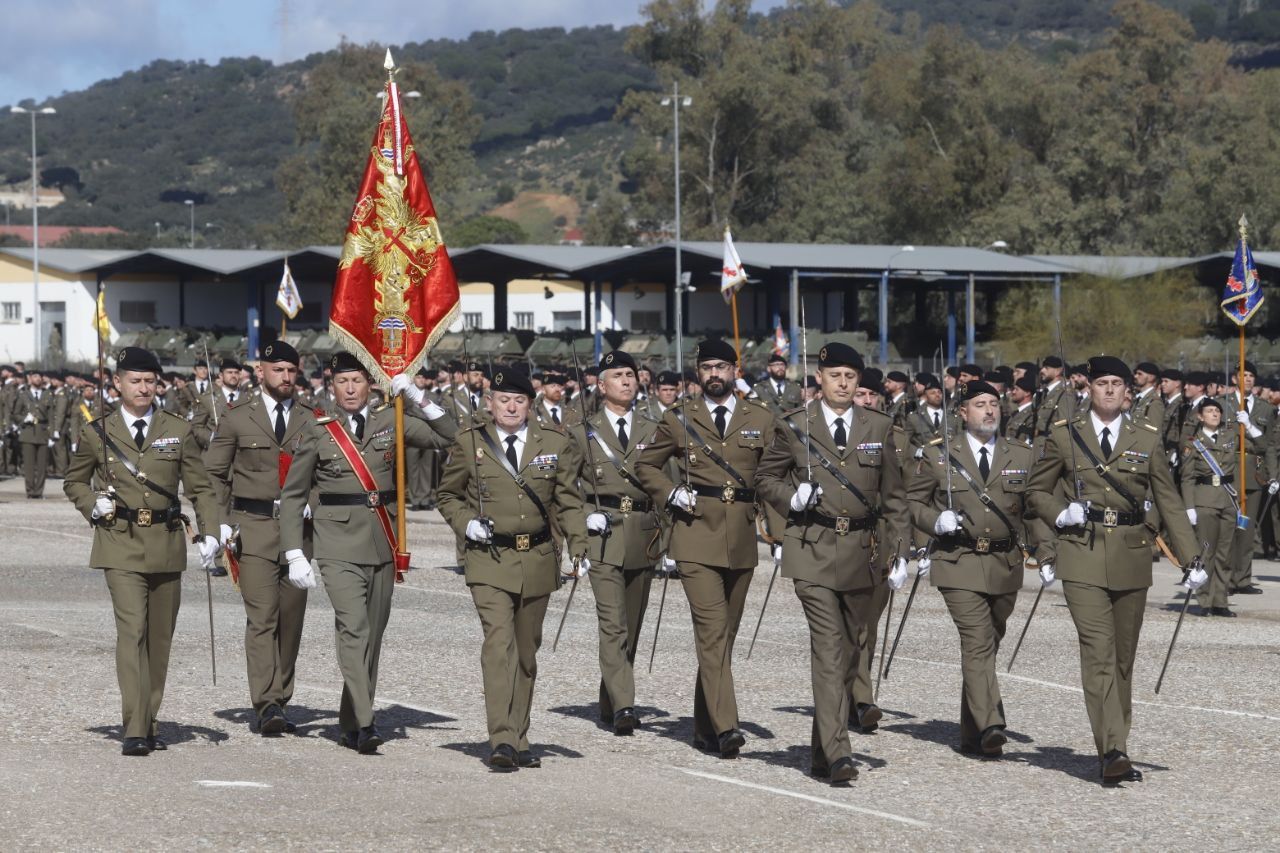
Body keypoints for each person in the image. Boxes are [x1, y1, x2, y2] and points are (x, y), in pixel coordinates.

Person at [1026, 356, 1204, 784]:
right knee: (1098, 652)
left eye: (1116, 383)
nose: (1108, 390)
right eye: (1101, 382)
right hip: (1081, 553)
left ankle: (1117, 741)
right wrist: (1060, 512)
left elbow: (1167, 499)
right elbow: (1036, 491)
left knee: (1123, 659)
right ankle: (1112, 749)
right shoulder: (1066, 435)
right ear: (1089, 388)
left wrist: (1192, 557)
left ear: (1128, 392)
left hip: (1132, 554)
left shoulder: (1147, 437)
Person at [278, 352, 456, 754]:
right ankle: (366, 721)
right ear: (331, 386)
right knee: (353, 629)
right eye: (343, 382)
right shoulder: (318, 429)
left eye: (358, 380)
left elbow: (447, 436)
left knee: (372, 637)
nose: (351, 389)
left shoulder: (388, 420)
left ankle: (348, 720)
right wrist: (295, 552)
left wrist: (416, 397)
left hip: (383, 539)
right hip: (337, 543)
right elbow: (292, 497)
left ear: (370, 384)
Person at [755, 342, 908, 783]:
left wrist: (900, 551)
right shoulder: (795, 425)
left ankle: (823, 747)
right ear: (818, 378)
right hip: (813, 548)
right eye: (835, 375)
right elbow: (766, 478)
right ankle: (840, 753)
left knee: (851, 652)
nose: (843, 383)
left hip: (864, 552)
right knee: (828, 649)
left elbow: (894, 497)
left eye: (851, 377)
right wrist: (791, 498)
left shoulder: (878, 425)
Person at [63, 346, 220, 756]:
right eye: (135, 380)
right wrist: (91, 504)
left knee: (159, 639)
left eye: (150, 381)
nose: (143, 388)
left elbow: (201, 488)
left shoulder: (178, 429)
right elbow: (74, 481)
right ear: (117, 383)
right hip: (119, 541)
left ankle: (148, 717)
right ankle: (134, 727)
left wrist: (211, 533)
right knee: (131, 632)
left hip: (166, 542)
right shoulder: (97, 431)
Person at [436, 367, 589, 770]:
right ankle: (501, 737)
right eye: (503, 399)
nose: (510, 406)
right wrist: (466, 521)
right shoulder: (470, 443)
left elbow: (568, 500)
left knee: (525, 653)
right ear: (490, 403)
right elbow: (447, 494)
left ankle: (519, 736)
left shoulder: (554, 442)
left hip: (537, 558)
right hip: (489, 559)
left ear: (530, 404)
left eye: (519, 400)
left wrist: (580, 544)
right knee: (498, 644)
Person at [636, 339, 782, 759]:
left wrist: (782, 535)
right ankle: (726, 727)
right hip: (695, 533)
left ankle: (703, 724)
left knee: (725, 637)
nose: (714, 374)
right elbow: (645, 465)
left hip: (741, 537)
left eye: (721, 366)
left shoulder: (761, 418)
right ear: (697, 374)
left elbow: (773, 476)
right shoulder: (680, 417)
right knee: (712, 632)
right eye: (707, 368)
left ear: (735, 369)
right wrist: (670, 492)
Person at [907, 380, 1043, 758]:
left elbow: (1034, 508)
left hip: (1004, 563)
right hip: (958, 560)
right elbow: (913, 502)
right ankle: (991, 722)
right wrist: (936, 520)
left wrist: (1046, 553)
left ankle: (972, 735)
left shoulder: (1021, 454)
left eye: (993, 404)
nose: (989, 411)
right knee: (977, 639)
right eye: (979, 404)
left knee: (988, 644)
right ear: (963, 413)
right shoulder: (939, 455)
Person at [203, 340, 314, 735]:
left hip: (299, 533)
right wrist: (219, 522)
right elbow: (212, 473)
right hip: (254, 528)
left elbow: (329, 470)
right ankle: (267, 703)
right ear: (261, 372)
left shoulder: (312, 418)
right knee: (262, 617)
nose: (286, 377)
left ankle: (282, 696)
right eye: (278, 370)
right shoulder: (237, 418)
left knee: (291, 620)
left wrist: (313, 501)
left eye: (291, 371)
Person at [569, 350, 660, 735]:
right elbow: (563, 488)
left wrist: (667, 539)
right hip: (602, 535)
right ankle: (625, 706)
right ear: (601, 385)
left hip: (643, 534)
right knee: (614, 624)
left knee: (633, 628)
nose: (626, 380)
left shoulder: (654, 429)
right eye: (617, 375)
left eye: (630, 374)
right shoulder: (580, 432)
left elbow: (667, 483)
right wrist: (578, 528)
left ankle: (610, 699)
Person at [1181, 398, 1253, 617]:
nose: (1214, 414)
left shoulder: (1230, 436)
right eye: (1209, 411)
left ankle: (1220, 600)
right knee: (1206, 553)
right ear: (1200, 416)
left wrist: (1248, 425)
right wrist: (1189, 507)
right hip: (1204, 501)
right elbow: (1187, 478)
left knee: (1225, 554)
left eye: (1217, 411)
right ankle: (1204, 600)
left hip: (1228, 501)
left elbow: (1258, 446)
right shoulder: (1193, 442)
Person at [1218, 361, 1273, 596]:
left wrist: (1272, 474)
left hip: (1253, 473)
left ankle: (1243, 578)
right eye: (1244, 375)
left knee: (1248, 529)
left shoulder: (1265, 408)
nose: (1248, 379)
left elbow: (1268, 445)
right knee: (1229, 527)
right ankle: (1226, 578)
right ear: (1235, 379)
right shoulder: (1223, 405)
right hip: (1230, 470)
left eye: (1251, 375)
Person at [11, 368, 55, 498]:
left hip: (42, 432)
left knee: (42, 466)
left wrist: (52, 434)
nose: (38, 379)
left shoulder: (47, 394)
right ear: (30, 379)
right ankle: (30, 491)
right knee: (29, 465)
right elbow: (15, 414)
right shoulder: (23, 394)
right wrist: (24, 419)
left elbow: (52, 416)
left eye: (40, 377)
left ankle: (39, 492)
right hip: (28, 433)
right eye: (35, 376)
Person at [191, 359, 245, 450]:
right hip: (215, 452)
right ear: (221, 375)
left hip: (241, 453)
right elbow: (196, 426)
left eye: (236, 373)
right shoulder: (208, 399)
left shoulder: (247, 398)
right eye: (229, 372)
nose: (233, 375)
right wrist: (210, 438)